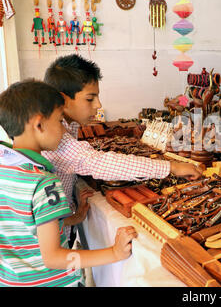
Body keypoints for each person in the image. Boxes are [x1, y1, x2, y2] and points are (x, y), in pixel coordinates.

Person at [41, 54, 202, 248]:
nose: (98, 105)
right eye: (90, 98)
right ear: (63, 100)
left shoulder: (69, 126)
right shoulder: (56, 139)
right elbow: (99, 163)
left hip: (63, 224)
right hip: (52, 245)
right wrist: (172, 167)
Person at [0, 80, 137, 286]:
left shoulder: (6, 169)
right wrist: (114, 252)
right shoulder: (44, 183)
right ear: (39, 125)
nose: (63, 130)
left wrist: (73, 218)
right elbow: (54, 257)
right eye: (59, 121)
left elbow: (25, 226)